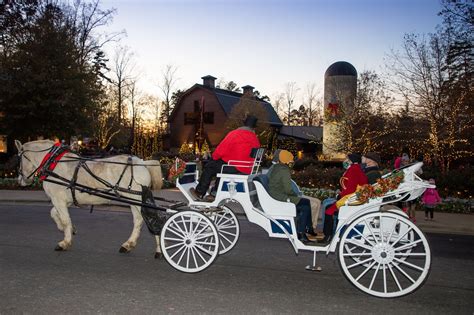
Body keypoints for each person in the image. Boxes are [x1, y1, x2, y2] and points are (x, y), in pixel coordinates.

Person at [190, 115, 260, 201]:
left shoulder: (235, 134)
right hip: (248, 168)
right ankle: (214, 193)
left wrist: (214, 158)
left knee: (210, 167)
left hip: (236, 167)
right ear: (253, 127)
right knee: (222, 166)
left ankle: (200, 192)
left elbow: (221, 150)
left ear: (244, 124)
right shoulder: (255, 139)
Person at [266, 150, 314, 243]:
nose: (292, 161)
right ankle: (301, 233)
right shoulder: (284, 170)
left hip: (277, 194)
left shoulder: (277, 167)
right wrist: (296, 196)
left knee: (306, 202)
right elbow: (288, 189)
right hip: (280, 196)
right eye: (290, 159)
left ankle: (309, 228)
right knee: (305, 207)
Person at [320, 153, 368, 244]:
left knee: (328, 210)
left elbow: (350, 189)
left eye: (347, 158)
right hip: (354, 197)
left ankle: (328, 236)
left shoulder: (353, 170)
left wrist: (339, 196)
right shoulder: (356, 169)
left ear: (351, 160)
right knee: (329, 206)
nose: (345, 160)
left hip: (351, 200)